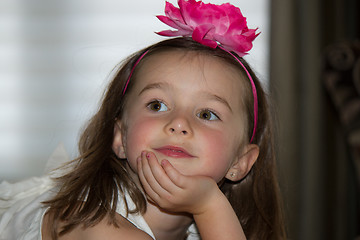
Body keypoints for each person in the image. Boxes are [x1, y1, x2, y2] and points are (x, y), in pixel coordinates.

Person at [0, 0, 286, 239]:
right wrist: (210, 205)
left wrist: (209, 208)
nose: (178, 124)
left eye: (206, 114)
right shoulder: (92, 221)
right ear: (119, 138)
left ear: (240, 163)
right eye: (157, 105)